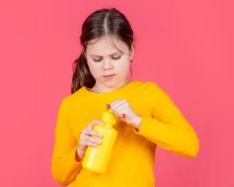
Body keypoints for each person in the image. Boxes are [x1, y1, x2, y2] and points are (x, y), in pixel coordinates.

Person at [51, 8, 199, 187]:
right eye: (97, 59)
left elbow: (190, 145)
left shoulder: (148, 94)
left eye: (115, 57)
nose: (107, 67)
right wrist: (80, 149)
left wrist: (138, 121)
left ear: (131, 51)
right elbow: (60, 176)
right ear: (86, 56)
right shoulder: (71, 104)